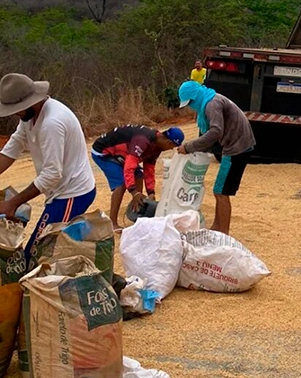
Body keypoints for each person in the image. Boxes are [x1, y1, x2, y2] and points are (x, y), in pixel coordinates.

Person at [0, 73, 96, 260]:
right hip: (58, 193)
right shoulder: (30, 116)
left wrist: (12, 203)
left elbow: (52, 174)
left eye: (16, 109)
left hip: (72, 194)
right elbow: (13, 146)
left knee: (35, 253)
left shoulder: (51, 123)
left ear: (29, 101)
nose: (15, 113)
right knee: (53, 250)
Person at [176, 81, 255, 234]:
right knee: (219, 191)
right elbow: (212, 137)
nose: (191, 106)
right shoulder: (211, 99)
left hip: (237, 148)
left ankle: (223, 233)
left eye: (191, 102)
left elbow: (215, 132)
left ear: (194, 97)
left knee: (221, 192)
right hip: (237, 145)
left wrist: (189, 147)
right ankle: (217, 228)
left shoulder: (212, 104)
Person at [91, 125, 185, 231]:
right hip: (103, 152)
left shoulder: (157, 145)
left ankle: (138, 211)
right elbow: (129, 168)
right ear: (169, 142)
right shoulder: (143, 140)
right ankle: (112, 223)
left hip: (122, 153)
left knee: (139, 174)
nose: (171, 149)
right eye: (172, 146)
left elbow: (149, 168)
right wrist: (133, 191)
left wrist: (151, 192)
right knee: (121, 184)